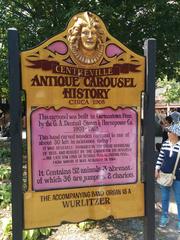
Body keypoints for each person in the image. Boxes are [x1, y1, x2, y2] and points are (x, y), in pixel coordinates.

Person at [155, 124, 180, 231]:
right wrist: (156, 169)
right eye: (168, 131)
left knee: (179, 199)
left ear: (177, 134)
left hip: (177, 177)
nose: (168, 133)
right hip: (164, 175)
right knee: (165, 198)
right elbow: (160, 158)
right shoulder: (165, 144)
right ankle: (164, 217)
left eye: (170, 132)